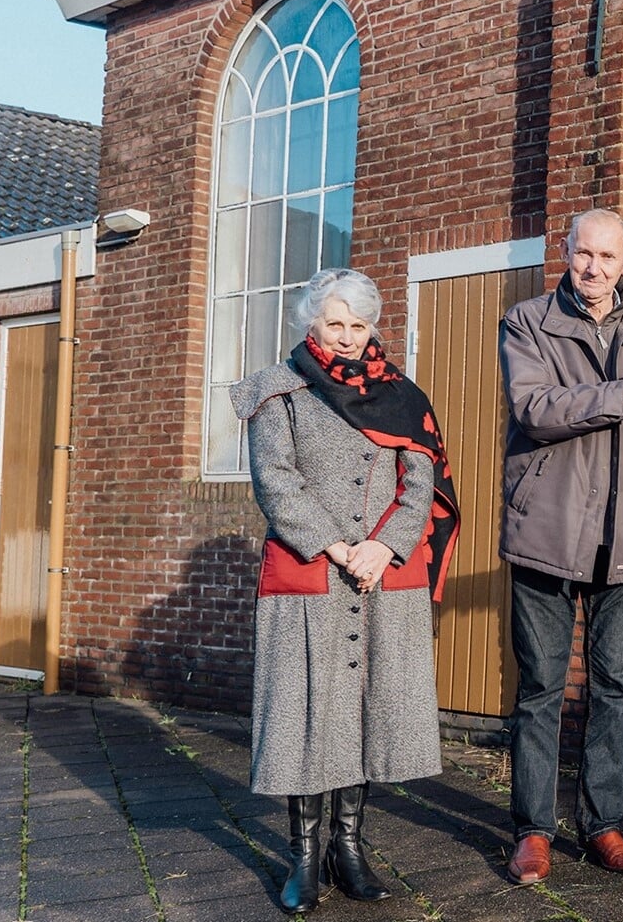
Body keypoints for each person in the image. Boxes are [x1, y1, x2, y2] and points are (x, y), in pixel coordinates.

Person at [232, 268, 460, 914]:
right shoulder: (278, 393)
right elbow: (276, 481)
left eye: (359, 325)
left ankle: (349, 846)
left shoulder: (404, 396)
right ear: (312, 321)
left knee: (366, 710)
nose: (348, 337)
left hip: (385, 575)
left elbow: (421, 482)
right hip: (311, 572)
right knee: (310, 714)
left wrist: (383, 546)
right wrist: (338, 546)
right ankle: (304, 856)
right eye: (336, 323)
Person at [499, 209, 623, 885]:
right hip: (545, 531)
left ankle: (603, 823)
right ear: (565, 251)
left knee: (614, 688)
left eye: (607, 257)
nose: (593, 267)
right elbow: (535, 408)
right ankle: (531, 831)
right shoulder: (526, 322)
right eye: (583, 253)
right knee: (539, 690)